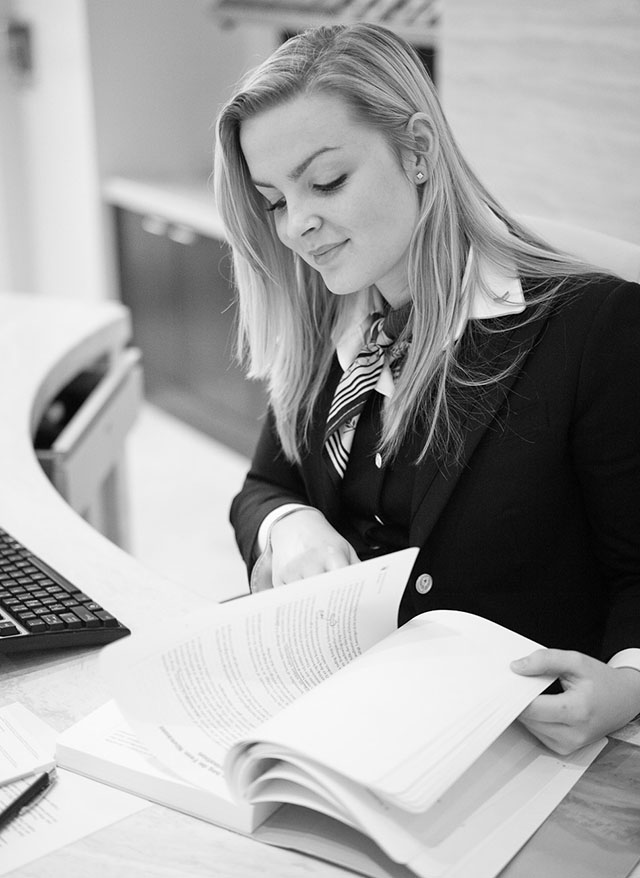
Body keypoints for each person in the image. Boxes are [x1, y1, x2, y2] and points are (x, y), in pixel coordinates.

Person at [213, 22, 640, 756]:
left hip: (513, 743)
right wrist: (294, 526)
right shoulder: (331, 320)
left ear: (417, 150)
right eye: (275, 200)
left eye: (325, 181)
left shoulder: (591, 328)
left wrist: (629, 682)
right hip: (349, 720)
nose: (298, 227)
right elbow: (262, 486)